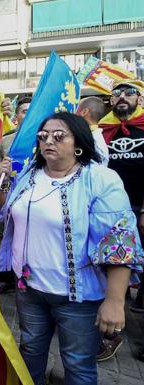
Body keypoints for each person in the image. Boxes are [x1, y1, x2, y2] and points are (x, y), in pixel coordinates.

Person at [0, 112, 144, 385]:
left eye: (58, 135)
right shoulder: (30, 173)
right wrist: (6, 181)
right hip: (29, 290)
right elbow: (8, 214)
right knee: (29, 353)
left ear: (78, 143)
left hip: (77, 299)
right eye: (42, 136)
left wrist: (114, 301)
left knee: (78, 365)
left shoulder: (101, 179)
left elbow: (119, 242)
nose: (48, 141)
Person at [99, 79, 144, 315]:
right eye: (117, 93)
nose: (122, 97)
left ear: (139, 99)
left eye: (129, 93)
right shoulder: (102, 130)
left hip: (140, 203)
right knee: (116, 257)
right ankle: (119, 300)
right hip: (112, 207)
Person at [76, 96, 109, 166]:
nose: (73, 112)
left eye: (76, 108)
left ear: (84, 112)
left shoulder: (94, 141)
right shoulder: (93, 136)